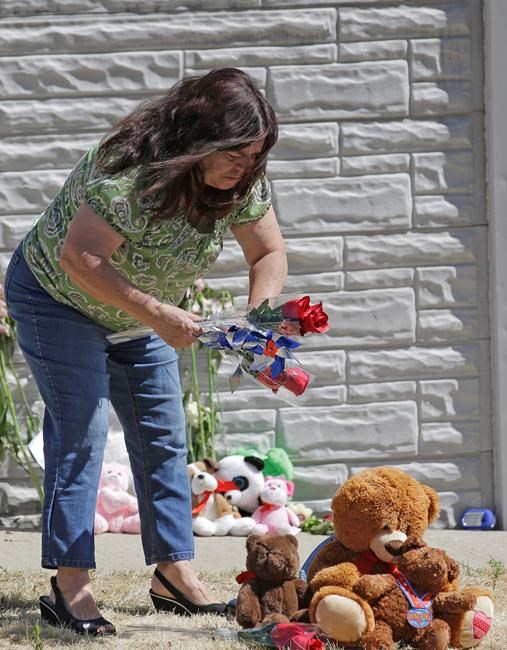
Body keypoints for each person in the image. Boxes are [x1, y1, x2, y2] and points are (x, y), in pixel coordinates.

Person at [4, 67, 287, 635]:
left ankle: (173, 575)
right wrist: (158, 314)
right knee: (81, 432)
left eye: (256, 155)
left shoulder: (242, 183)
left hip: (139, 313)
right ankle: (70, 584)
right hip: (58, 299)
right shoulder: (129, 174)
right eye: (235, 153)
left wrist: (258, 320)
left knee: (164, 435)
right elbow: (80, 258)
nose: (246, 166)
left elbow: (268, 253)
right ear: (198, 138)